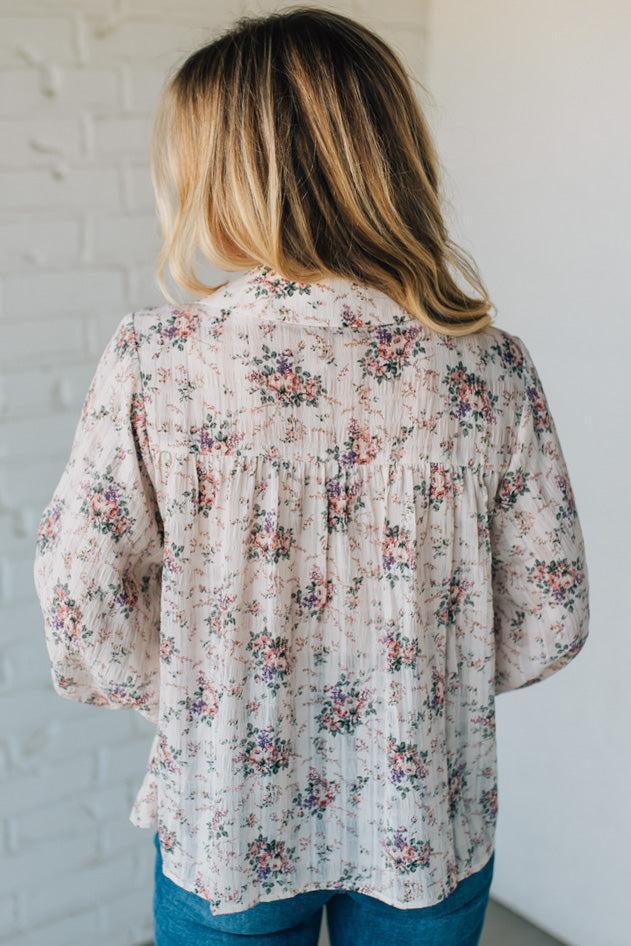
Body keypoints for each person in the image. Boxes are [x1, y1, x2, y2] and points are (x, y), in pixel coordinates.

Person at [32, 7, 590, 946]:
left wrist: (207, 693)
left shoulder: (159, 360)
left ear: (223, 175)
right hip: (425, 808)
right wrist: (414, 676)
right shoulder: (485, 368)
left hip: (229, 815)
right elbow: (550, 613)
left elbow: (83, 603)